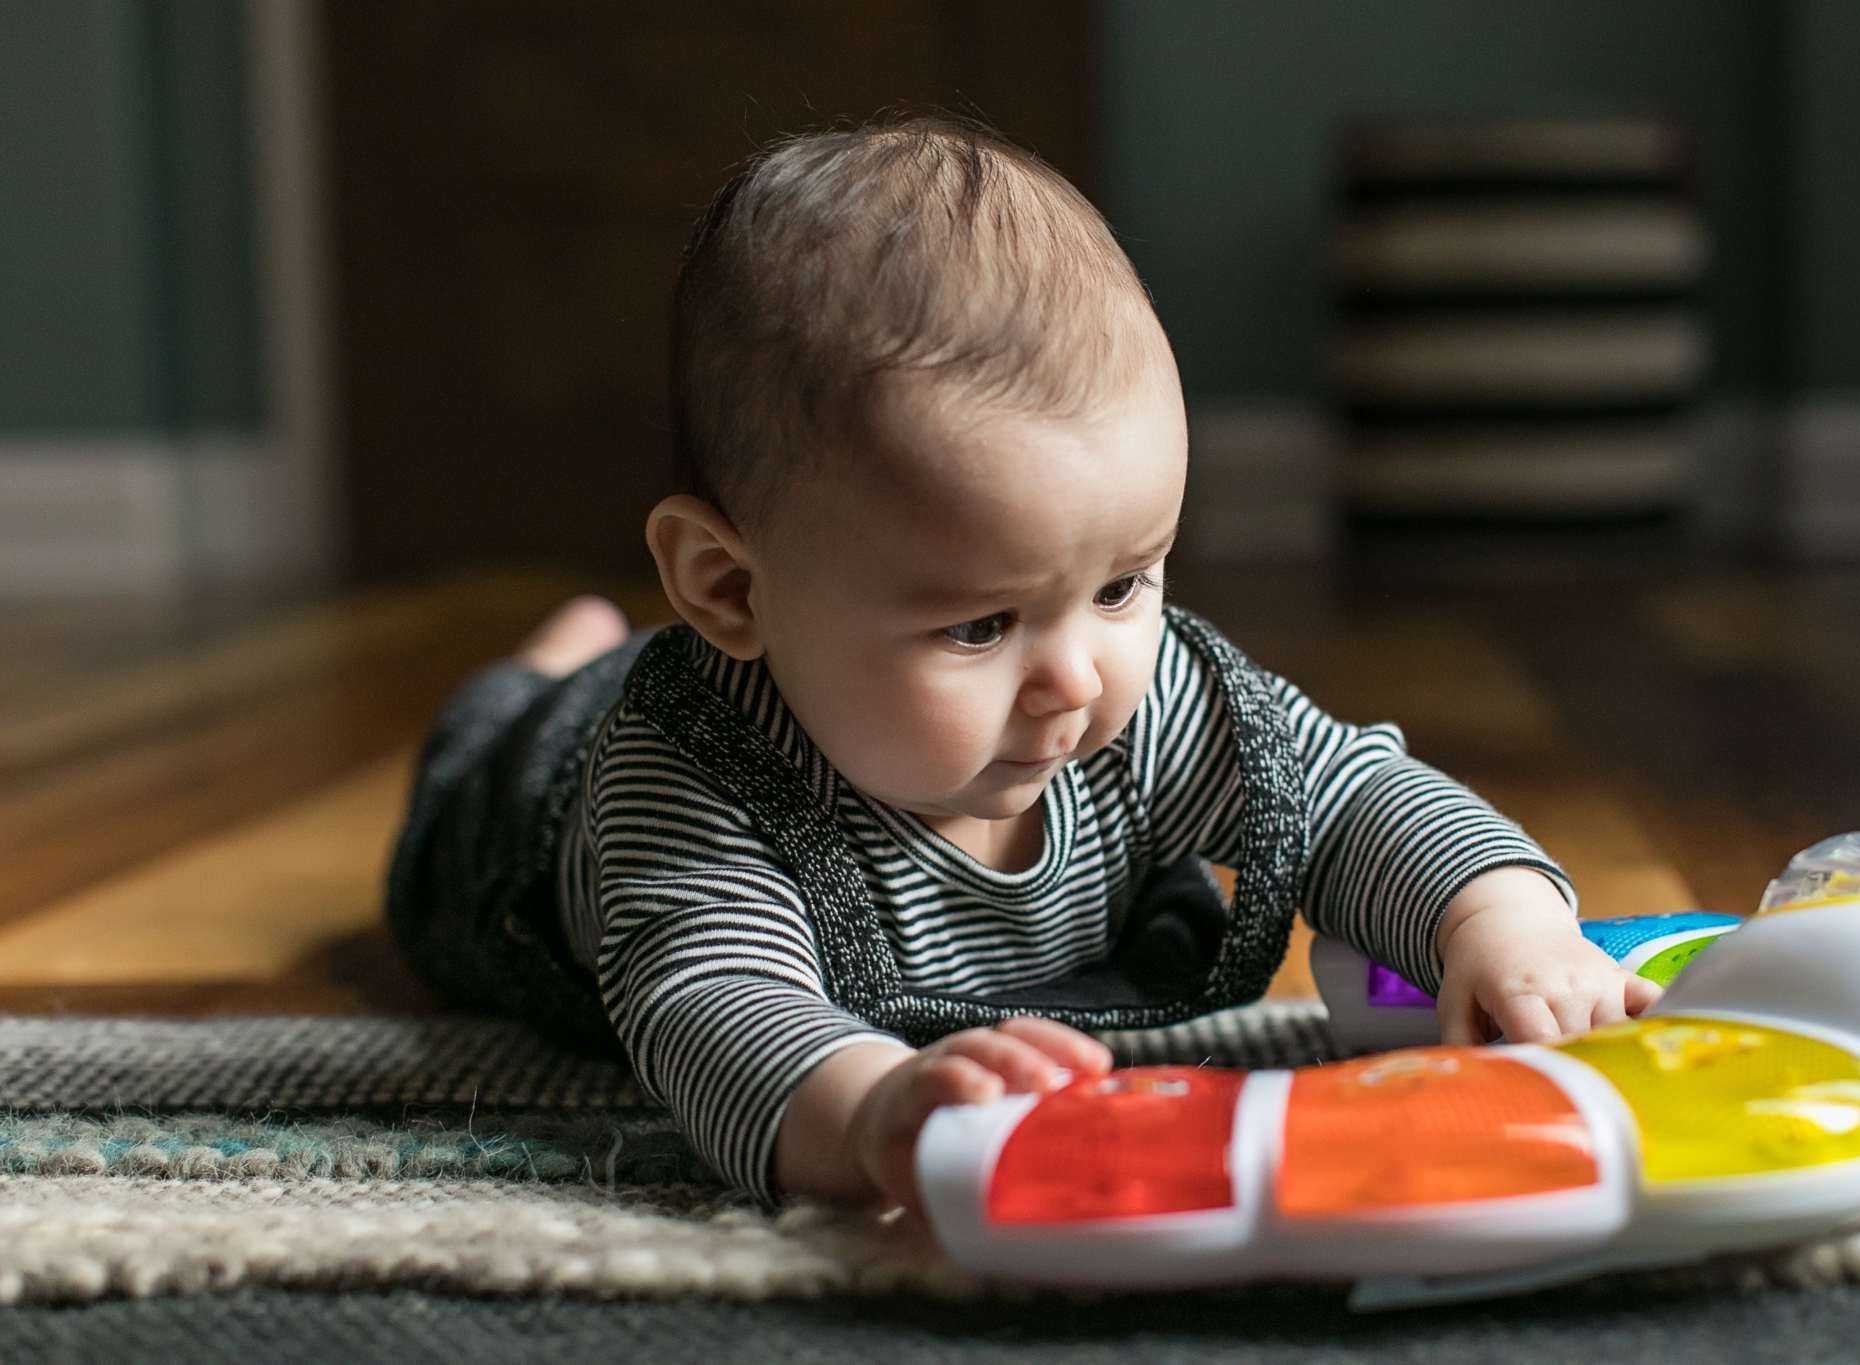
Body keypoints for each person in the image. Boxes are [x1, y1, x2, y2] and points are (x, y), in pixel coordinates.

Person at [385, 114, 1659, 1218]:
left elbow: (1346, 796)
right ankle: (544, 670)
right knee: (495, 742)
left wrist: (1499, 919)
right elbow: (715, 1015)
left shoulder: (1132, 697)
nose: (1073, 680)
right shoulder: (686, 792)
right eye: (979, 627)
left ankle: (581, 654)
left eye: (1120, 586)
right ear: (727, 586)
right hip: (524, 808)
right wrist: (877, 1111)